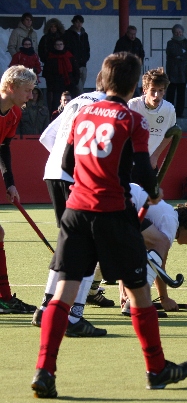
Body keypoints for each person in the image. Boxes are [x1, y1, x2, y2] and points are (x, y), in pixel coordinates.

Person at [31, 52, 187, 399]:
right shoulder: (132, 119)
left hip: (76, 211)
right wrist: (152, 192)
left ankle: (45, 371)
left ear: (104, 80)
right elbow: (142, 170)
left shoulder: (81, 113)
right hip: (113, 213)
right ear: (134, 85)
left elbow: (68, 163)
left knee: (63, 292)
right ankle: (156, 368)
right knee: (139, 292)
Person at [33, 73, 113, 335]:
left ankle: (45, 308)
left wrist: (60, 161)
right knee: (90, 244)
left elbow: (47, 136)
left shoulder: (78, 100)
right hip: (78, 177)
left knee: (68, 242)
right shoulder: (107, 107)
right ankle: (75, 315)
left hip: (53, 171)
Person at [121, 183, 187, 314]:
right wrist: (164, 299)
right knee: (160, 244)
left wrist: (124, 293)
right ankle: (137, 302)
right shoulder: (171, 222)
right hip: (121, 202)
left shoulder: (166, 215)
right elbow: (159, 267)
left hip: (113, 201)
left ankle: (94, 290)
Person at [0, 66, 38, 314]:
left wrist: (10, 183)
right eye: (27, 90)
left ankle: (3, 298)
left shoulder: (14, 113)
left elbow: (3, 148)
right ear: (11, 87)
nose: (31, 96)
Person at [128, 68, 176, 168]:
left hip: (150, 163)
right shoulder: (132, 105)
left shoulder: (169, 109)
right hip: (129, 163)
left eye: (160, 90)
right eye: (153, 90)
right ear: (145, 90)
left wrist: (155, 156)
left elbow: (170, 134)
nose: (156, 95)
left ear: (164, 91)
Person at [42, 38, 80, 113]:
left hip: (69, 84)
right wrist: (51, 85)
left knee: (71, 103)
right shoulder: (51, 57)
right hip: (56, 85)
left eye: (61, 44)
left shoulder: (69, 56)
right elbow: (47, 73)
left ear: (63, 45)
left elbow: (76, 70)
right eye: (57, 45)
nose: (59, 46)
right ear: (54, 46)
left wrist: (75, 81)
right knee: (56, 104)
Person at [165, 24, 187, 118]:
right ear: (173, 33)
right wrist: (183, 53)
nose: (178, 34)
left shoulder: (186, 42)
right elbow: (172, 53)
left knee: (181, 93)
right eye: (176, 32)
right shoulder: (170, 43)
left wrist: (180, 56)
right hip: (172, 72)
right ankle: (169, 113)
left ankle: (180, 113)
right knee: (171, 93)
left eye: (180, 32)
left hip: (183, 72)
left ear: (182, 32)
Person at [63, 15, 91, 95]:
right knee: (78, 87)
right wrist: (72, 60)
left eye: (80, 22)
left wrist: (86, 58)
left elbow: (87, 48)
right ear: (73, 23)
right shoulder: (68, 34)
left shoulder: (84, 35)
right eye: (77, 22)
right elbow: (67, 48)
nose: (79, 24)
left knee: (81, 85)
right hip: (74, 64)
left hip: (83, 64)